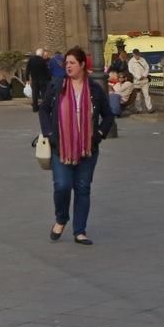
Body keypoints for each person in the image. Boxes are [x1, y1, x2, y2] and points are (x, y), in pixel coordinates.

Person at [38, 46, 113, 245]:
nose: (68, 66)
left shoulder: (94, 89)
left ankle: (80, 231)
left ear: (82, 65)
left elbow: (108, 115)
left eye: (72, 63)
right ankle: (61, 218)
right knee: (62, 186)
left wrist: (98, 134)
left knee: (82, 188)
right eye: (66, 63)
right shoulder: (57, 86)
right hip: (61, 146)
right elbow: (44, 110)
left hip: (87, 148)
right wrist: (49, 133)